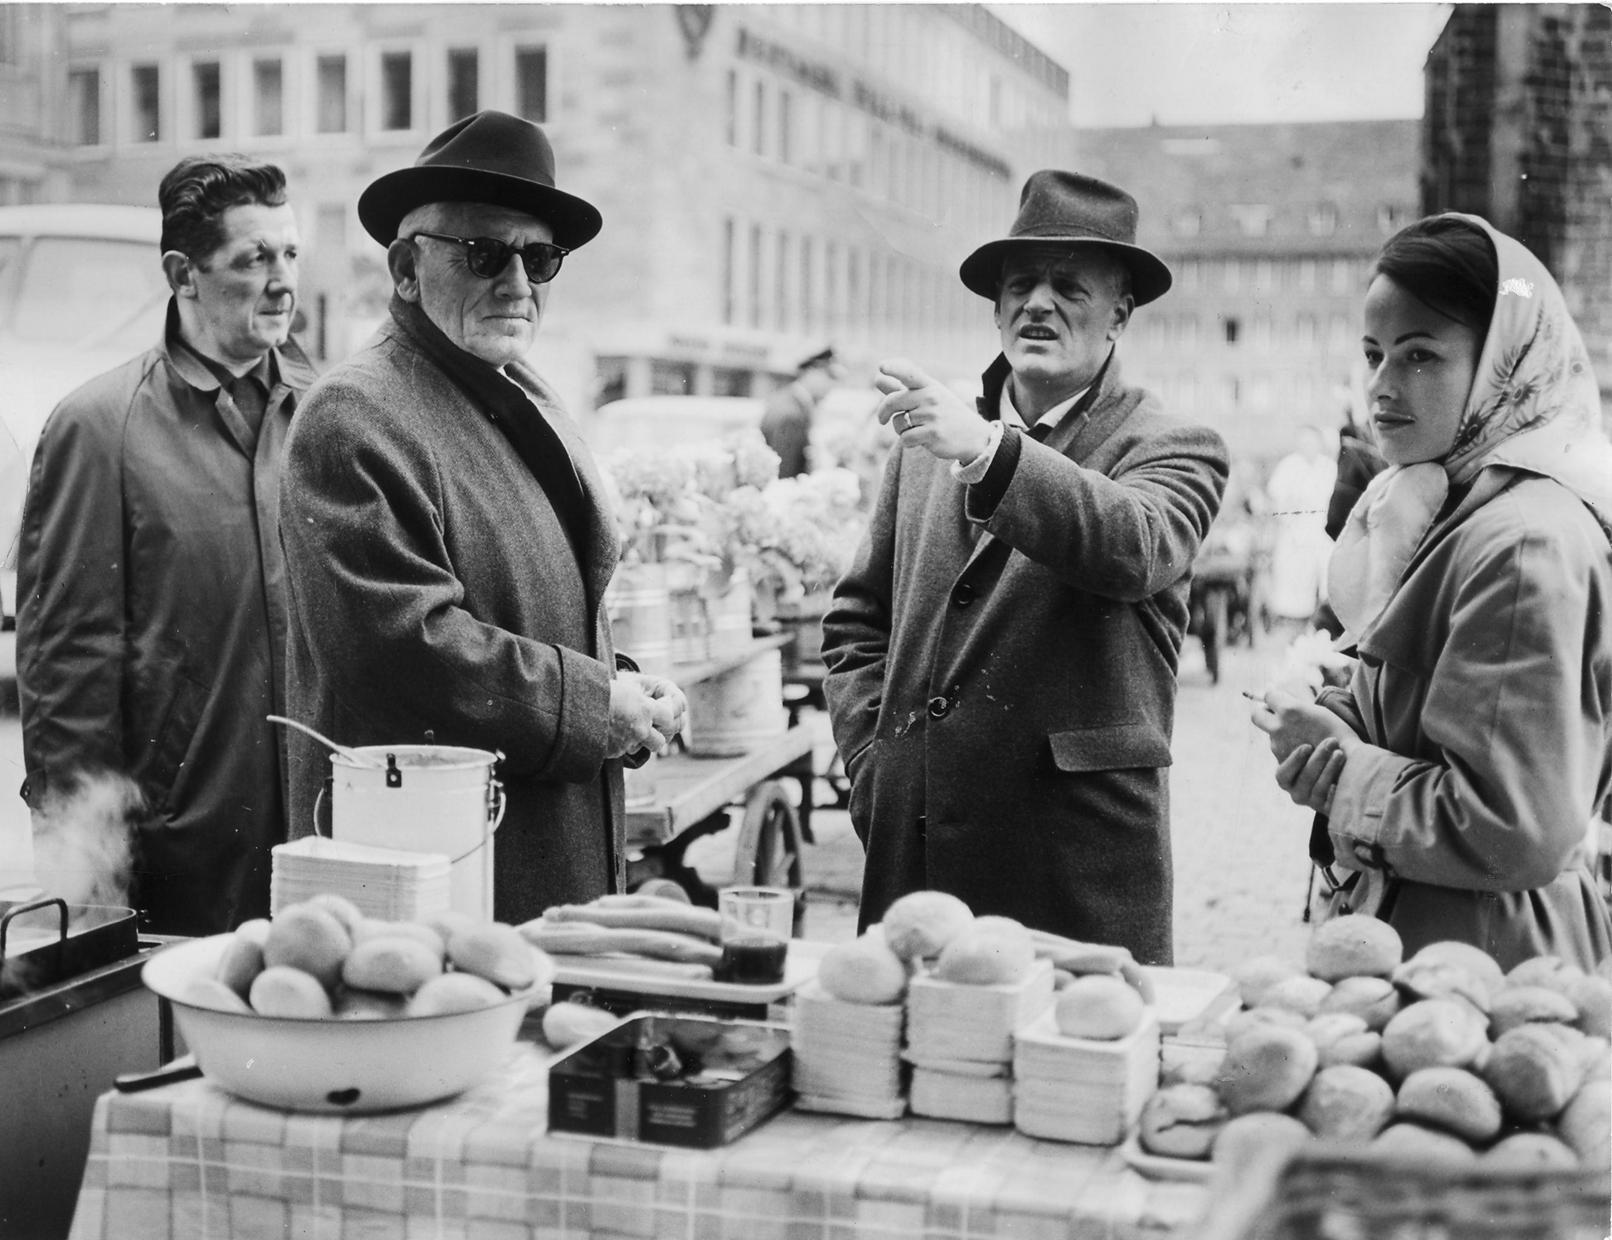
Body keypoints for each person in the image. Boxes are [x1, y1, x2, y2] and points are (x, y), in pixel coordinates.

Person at [279, 111, 685, 923]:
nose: (518, 284)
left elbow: (528, 608)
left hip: (526, 851)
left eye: (541, 258)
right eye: (483, 253)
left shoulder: (515, 389)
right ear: (405, 268)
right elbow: (404, 649)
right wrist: (595, 704)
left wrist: (622, 684)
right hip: (435, 881)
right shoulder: (354, 413)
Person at [820, 170, 1230, 965]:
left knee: (1077, 1045)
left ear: (1120, 315)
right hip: (919, 865)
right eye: (1020, 285)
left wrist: (988, 450)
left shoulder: (1173, 443)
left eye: (1070, 287)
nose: (1038, 304)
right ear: (997, 307)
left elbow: (1137, 545)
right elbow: (855, 623)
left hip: (1071, 874)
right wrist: (879, 767)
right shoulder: (926, 444)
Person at [1251, 213, 1612, 972]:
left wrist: (1342, 771)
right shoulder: (1451, 506)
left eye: (1419, 355)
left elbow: (1513, 828)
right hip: (1427, 937)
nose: (1381, 385)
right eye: (1373, 354)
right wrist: (1338, 713)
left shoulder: (1520, 541)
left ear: (1504, 366)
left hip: (1486, 963)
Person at [15, 155, 315, 935]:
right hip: (179, 865)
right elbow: (68, 670)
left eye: (290, 254)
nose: (284, 282)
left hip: (320, 849)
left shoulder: (324, 414)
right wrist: (86, 885)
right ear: (183, 274)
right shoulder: (99, 428)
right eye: (254, 259)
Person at [1263, 424, 1338, 629]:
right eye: (1304, 442)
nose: (1308, 446)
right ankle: (1296, 626)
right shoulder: (1289, 466)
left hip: (1324, 533)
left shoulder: (1329, 467)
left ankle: (1325, 625)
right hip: (1295, 534)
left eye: (1312, 442)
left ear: (1319, 444)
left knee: (1327, 582)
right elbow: (1276, 502)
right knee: (1295, 586)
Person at [759, 346, 842, 478]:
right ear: (811, 371)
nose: (832, 385)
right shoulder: (791, 413)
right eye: (829, 376)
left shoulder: (793, 403)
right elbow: (784, 475)